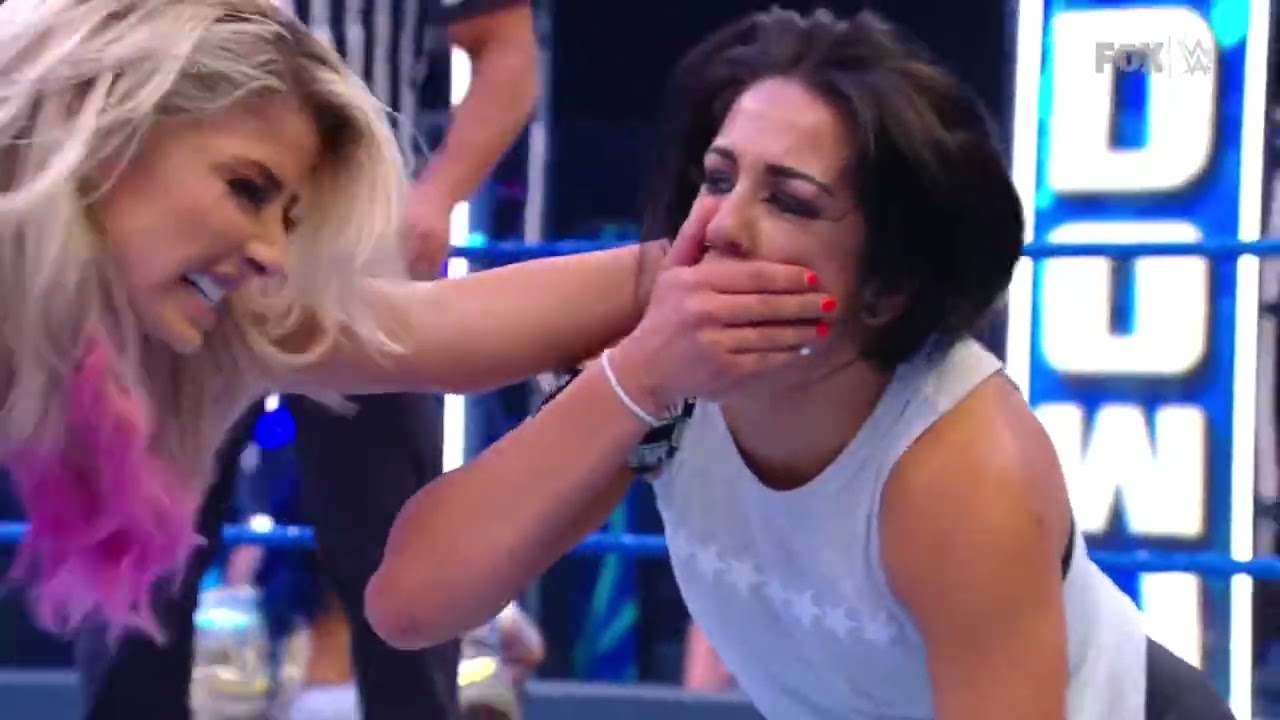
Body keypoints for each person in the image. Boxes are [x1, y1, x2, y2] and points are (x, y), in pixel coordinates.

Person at [362, 8, 1236, 720]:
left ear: (887, 287)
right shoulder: (669, 332)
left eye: (789, 201)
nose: (724, 226)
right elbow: (409, 603)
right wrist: (634, 379)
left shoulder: (960, 467)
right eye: (718, 178)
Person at [0, 0, 831, 680]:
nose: (272, 254)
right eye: (247, 189)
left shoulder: (234, 308)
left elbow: (428, 329)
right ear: (102, 123)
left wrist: (706, 264)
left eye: (288, 216)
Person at [74, 0, 541, 715]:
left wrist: (437, 196)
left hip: (353, 256)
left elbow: (507, 49)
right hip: (183, 245)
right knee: (142, 550)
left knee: (394, 549)